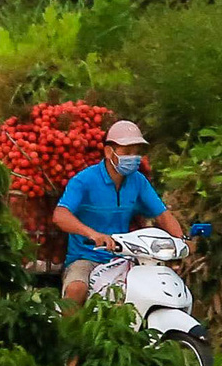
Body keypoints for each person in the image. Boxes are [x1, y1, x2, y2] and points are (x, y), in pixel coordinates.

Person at [51, 119, 186, 306]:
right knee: (76, 290)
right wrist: (93, 234)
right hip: (86, 258)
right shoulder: (84, 180)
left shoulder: (138, 181)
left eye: (137, 152)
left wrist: (181, 240)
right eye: (127, 152)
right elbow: (60, 215)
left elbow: (162, 214)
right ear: (109, 152)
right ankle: (66, 335)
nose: (134, 157)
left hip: (124, 258)